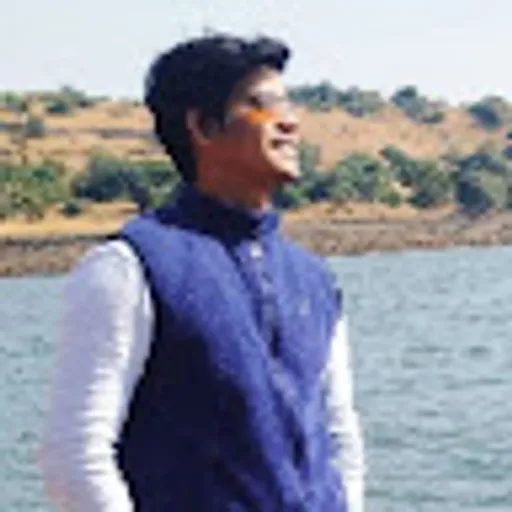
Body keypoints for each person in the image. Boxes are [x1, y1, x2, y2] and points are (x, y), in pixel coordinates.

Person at [39, 33, 365, 511]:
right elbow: (73, 456)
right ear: (203, 126)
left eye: (289, 105)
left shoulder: (312, 280)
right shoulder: (131, 269)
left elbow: (340, 439)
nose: (290, 122)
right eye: (264, 106)